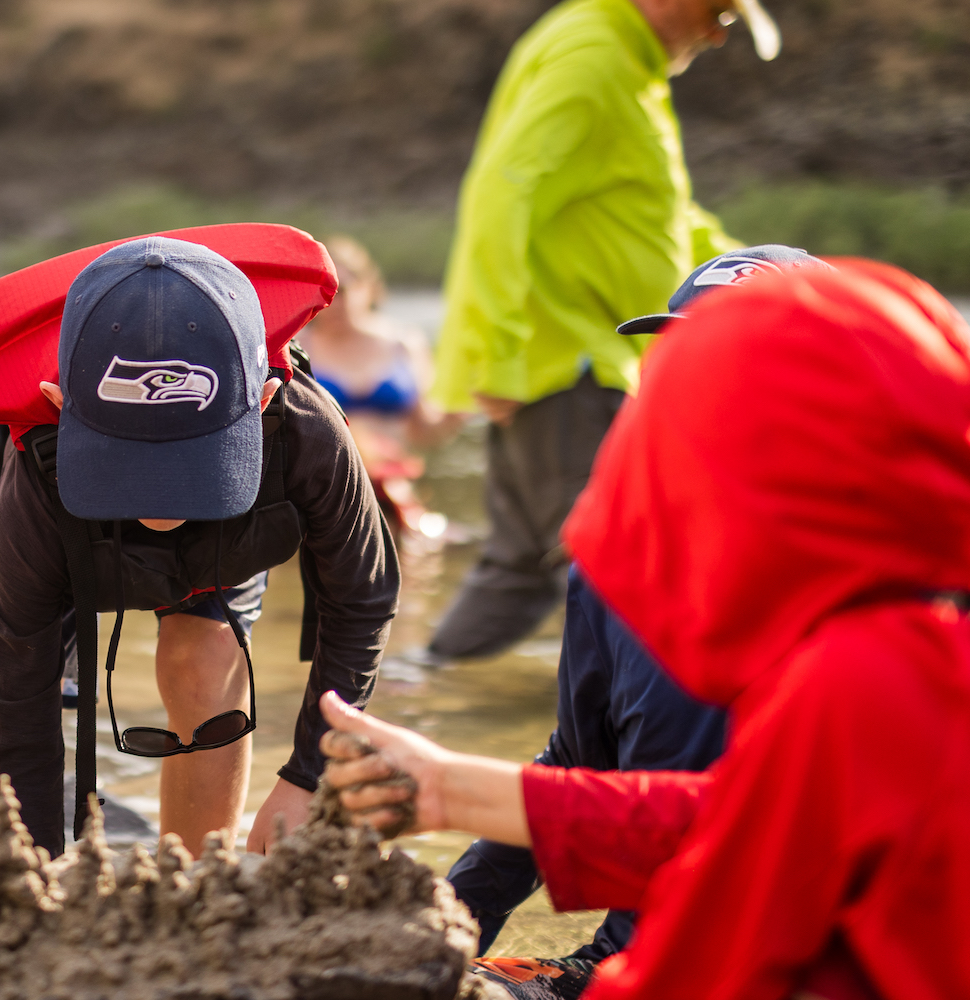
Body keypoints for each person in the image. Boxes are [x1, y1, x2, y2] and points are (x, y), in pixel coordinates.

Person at [319, 259, 970, 1000]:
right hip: (646, 950)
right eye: (684, 369)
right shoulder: (618, 576)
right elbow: (692, 804)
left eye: (738, 374)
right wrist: (445, 904)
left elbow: (759, 853)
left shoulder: (905, 646)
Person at [444, 245, 830, 997]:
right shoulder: (613, 565)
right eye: (679, 354)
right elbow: (578, 767)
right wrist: (450, 916)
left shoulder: (906, 577)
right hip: (630, 967)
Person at [0, 236, 399, 855]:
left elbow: (362, 600)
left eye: (189, 467)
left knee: (202, 660)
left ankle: (193, 883)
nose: (163, 501)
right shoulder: (40, 472)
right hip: (80, 541)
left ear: (263, 399)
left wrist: (309, 779)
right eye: (135, 466)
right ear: (59, 409)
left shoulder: (307, 433)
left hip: (225, 542)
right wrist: (37, 876)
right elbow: (18, 695)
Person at [425, 0, 782, 660]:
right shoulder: (595, 54)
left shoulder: (627, 63)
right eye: (717, 16)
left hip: (570, 365)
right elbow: (502, 190)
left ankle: (406, 702)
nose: (716, 36)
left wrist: (779, 278)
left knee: (520, 573)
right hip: (572, 365)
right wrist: (496, 357)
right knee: (608, 569)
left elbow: (658, 214)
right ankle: (624, 744)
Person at [300, 236, 463, 536]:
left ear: (367, 287)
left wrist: (460, 405)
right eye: (322, 293)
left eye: (342, 290)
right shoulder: (297, 349)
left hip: (393, 487)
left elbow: (425, 431)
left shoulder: (403, 343)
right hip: (323, 491)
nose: (332, 303)